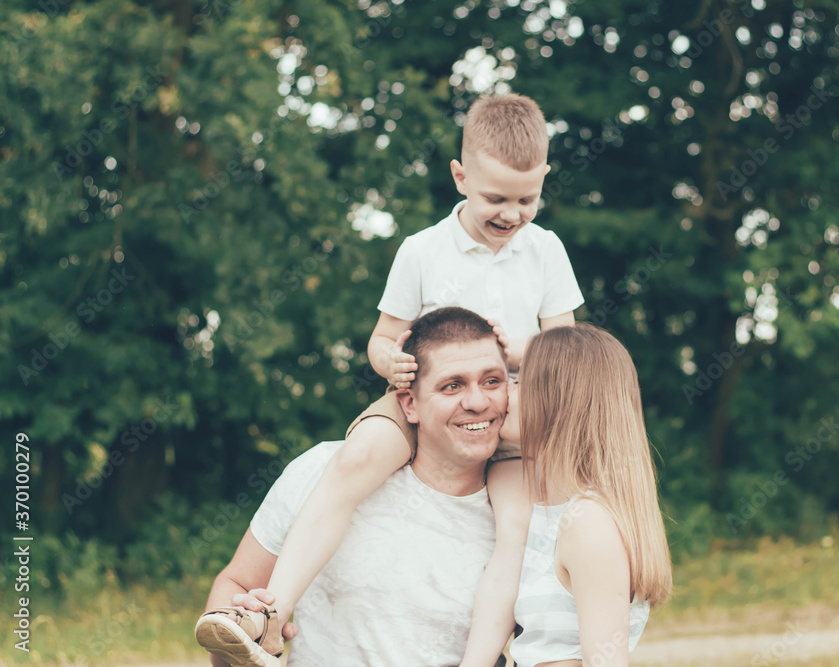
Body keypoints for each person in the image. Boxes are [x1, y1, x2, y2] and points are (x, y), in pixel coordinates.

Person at [196, 92, 584, 665]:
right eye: (495, 198)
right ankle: (272, 613)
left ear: (545, 180)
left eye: (527, 198)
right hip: (418, 398)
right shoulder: (422, 250)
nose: (512, 213)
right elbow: (383, 338)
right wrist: (390, 364)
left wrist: (516, 349)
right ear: (460, 176)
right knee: (353, 460)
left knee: (523, 524)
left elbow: (566, 351)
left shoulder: (546, 250)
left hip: (515, 403)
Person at [197, 308, 510, 666]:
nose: (477, 402)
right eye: (452, 386)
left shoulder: (523, 516)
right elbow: (237, 584)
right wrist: (240, 633)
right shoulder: (323, 471)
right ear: (410, 404)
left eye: (492, 381)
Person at [497, 324, 672, 666]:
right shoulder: (556, 510)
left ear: (557, 403)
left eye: (518, 381)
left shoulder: (588, 524)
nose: (504, 392)